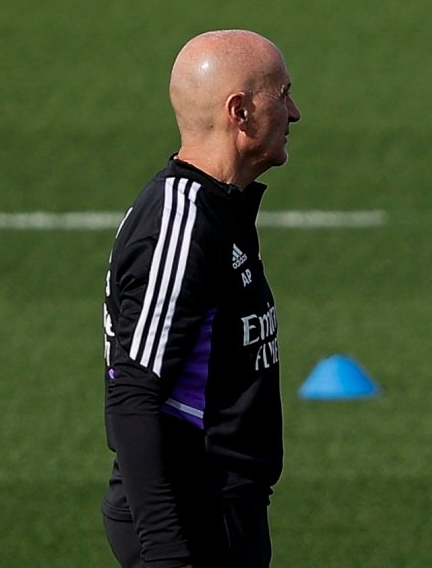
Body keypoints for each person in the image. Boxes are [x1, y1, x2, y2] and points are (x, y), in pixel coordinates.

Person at [100, 29, 300, 568]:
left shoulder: (220, 209)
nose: (295, 113)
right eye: (283, 95)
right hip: (192, 520)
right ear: (240, 112)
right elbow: (133, 393)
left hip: (224, 510)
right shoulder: (182, 222)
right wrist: (168, 554)